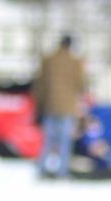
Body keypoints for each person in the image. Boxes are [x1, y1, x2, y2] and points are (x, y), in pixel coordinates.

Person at [32, 35, 86, 179]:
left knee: (48, 140)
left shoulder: (49, 60)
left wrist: (39, 105)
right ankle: (62, 172)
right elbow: (81, 85)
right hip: (67, 107)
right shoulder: (75, 62)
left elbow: (40, 86)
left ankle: (42, 170)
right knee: (64, 142)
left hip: (50, 106)